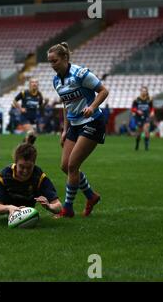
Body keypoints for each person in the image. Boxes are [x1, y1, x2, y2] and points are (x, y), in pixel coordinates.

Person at [47, 42, 109, 218]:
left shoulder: (81, 74)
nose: (52, 65)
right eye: (50, 62)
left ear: (65, 58)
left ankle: (67, 209)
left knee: (73, 165)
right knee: (65, 166)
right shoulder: (56, 81)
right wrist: (64, 129)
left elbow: (103, 91)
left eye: (55, 61)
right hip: (74, 125)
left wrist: (92, 106)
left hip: (92, 122)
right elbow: (67, 105)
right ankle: (91, 196)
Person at [0, 143, 62, 220]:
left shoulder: (39, 177)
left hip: (23, 208)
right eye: (21, 167)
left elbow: (58, 206)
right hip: (2, 204)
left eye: (29, 167)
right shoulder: (3, 176)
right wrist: (9, 207)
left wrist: (49, 206)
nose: (25, 171)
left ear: (34, 163)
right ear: (15, 162)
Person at [12, 78, 43, 144]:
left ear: (38, 84)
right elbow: (14, 101)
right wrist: (20, 108)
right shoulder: (24, 93)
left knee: (33, 137)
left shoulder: (39, 95)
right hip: (25, 117)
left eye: (36, 82)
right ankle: (23, 148)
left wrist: (46, 103)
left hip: (33, 118)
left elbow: (40, 106)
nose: (34, 84)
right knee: (31, 133)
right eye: (32, 82)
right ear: (29, 84)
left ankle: (23, 146)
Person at [131, 86, 154, 151]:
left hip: (146, 116)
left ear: (147, 92)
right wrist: (137, 111)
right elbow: (133, 108)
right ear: (140, 92)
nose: (144, 92)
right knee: (139, 132)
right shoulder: (136, 99)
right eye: (142, 91)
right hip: (138, 117)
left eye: (145, 91)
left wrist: (152, 112)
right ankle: (137, 144)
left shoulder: (149, 99)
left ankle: (146, 146)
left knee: (146, 130)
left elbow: (152, 108)